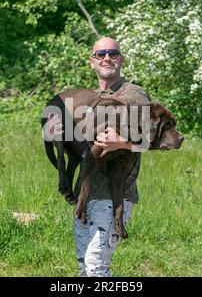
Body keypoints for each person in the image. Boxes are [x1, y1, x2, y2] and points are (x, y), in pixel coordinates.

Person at [52, 37, 151, 277]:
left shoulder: (135, 94)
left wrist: (122, 142)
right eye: (101, 54)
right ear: (92, 62)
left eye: (113, 53)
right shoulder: (87, 99)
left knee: (96, 266)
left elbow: (150, 138)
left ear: (121, 59)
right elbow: (82, 147)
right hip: (84, 196)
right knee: (84, 267)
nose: (107, 58)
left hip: (114, 196)